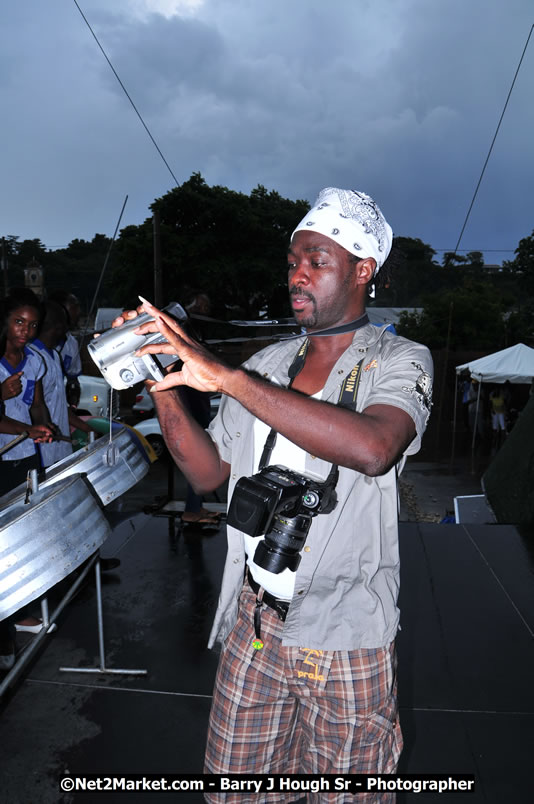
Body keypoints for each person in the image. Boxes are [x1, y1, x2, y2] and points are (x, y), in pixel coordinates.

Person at [114, 187, 433, 802]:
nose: (297, 276)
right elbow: (209, 475)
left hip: (344, 634)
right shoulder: (271, 361)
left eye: (317, 259)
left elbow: (374, 447)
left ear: (363, 270)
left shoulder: (399, 359)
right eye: (292, 262)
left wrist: (228, 377)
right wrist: (159, 379)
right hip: (253, 623)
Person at [31, 301, 96, 468]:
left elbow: (57, 405)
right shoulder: (32, 358)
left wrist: (87, 429)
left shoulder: (53, 356)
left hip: (59, 451)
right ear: (59, 327)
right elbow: (34, 407)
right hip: (42, 453)